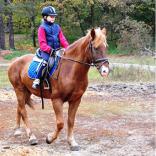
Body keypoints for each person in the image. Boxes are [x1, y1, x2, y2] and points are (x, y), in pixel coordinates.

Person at [32, 6, 69, 89]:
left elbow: (62, 39)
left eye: (54, 16)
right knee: (46, 62)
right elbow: (42, 44)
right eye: (51, 16)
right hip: (46, 51)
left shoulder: (57, 27)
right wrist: (51, 51)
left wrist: (68, 48)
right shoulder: (42, 28)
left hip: (57, 50)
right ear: (45, 17)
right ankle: (37, 80)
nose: (53, 18)